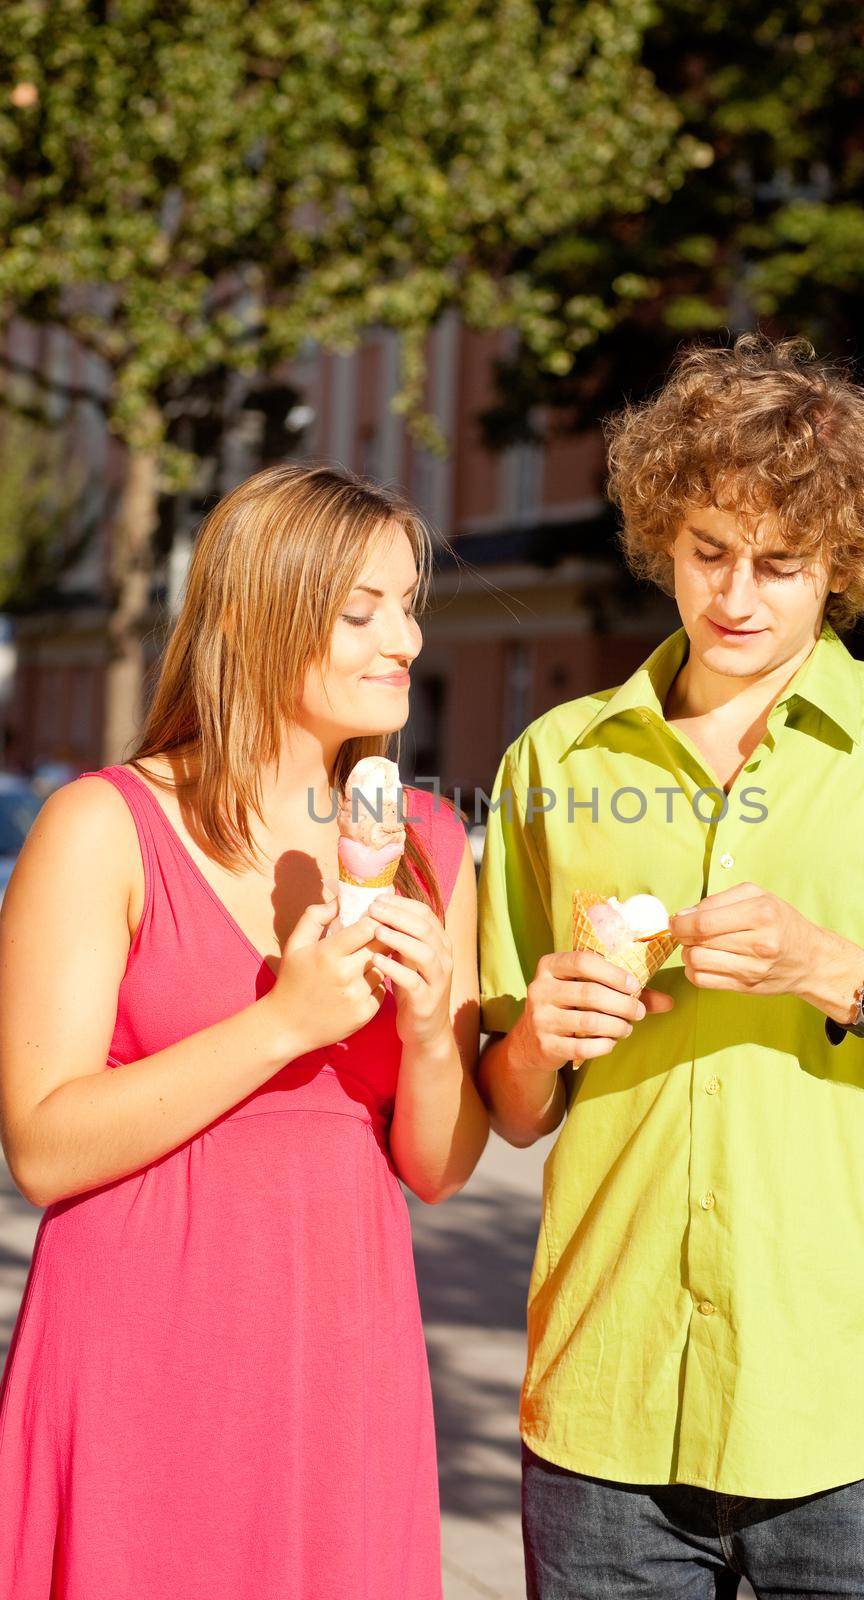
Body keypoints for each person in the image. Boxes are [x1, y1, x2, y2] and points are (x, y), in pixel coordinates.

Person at [476, 334, 864, 1600]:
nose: (735, 596)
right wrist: (537, 1039)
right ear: (660, 538)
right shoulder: (554, 762)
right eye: (705, 554)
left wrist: (845, 975)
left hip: (851, 1423)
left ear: (842, 566)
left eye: (780, 564)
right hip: (598, 1408)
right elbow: (512, 1113)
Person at [0, 463, 488, 1599]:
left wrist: (425, 1037)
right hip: (138, 1343)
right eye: (361, 610)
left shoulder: (428, 841)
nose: (403, 639)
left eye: (409, 604)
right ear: (258, 618)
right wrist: (282, 1023)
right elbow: (41, 1146)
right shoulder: (103, 826)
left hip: (341, 1349)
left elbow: (440, 1167)